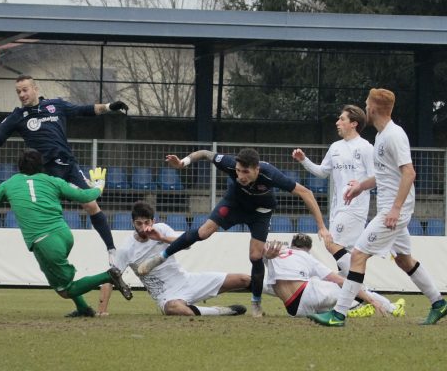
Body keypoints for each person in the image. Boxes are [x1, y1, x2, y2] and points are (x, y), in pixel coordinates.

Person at [309, 88, 447, 327]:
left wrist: (395, 209)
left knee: (358, 256)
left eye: (366, 104)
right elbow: (385, 175)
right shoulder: (382, 137)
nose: (365, 107)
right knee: (404, 259)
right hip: (392, 209)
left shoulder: (394, 135)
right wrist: (361, 186)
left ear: (373, 108)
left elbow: (409, 173)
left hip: (393, 212)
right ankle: (439, 303)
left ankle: (338, 314)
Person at [137, 147, 332, 317]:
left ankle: (256, 302)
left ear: (257, 169)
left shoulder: (270, 174)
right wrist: (183, 163)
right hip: (234, 204)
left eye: (245, 172)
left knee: (256, 256)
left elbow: (306, 192)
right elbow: (204, 153)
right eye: (238, 171)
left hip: (260, 212)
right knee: (204, 231)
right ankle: (162, 257)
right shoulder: (230, 164)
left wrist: (321, 226)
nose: (240, 176)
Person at [0, 74, 129, 264]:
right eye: (18, 92)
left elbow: (85, 110)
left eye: (25, 90)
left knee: (91, 204)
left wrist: (110, 107)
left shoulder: (55, 105)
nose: (22, 94)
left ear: (35, 89)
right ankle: (51, 251)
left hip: (68, 164)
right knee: (51, 210)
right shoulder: (17, 117)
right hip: (47, 171)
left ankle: (111, 250)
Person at [0, 148, 133, 318]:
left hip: (44, 241)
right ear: (41, 166)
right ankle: (83, 309)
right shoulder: (53, 181)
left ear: (19, 167)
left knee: (65, 290)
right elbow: (86, 196)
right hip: (63, 234)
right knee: (58, 278)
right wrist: (99, 186)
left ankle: (109, 275)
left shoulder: (8, 184)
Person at [97, 201, 250, 316]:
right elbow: (110, 278)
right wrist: (102, 311)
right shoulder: (126, 249)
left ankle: (269, 291)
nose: (143, 227)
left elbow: (186, 244)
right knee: (175, 309)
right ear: (132, 223)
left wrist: (162, 238)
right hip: (166, 296)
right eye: (138, 223)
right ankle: (221, 311)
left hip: (186, 281)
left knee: (244, 279)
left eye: (147, 222)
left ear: (153, 221)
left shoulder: (162, 229)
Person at [292, 105, 374, 277]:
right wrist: (304, 160)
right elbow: (322, 172)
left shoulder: (365, 147)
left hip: (354, 207)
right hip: (337, 207)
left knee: (331, 243)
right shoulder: (335, 147)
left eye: (342, 119)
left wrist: (360, 184)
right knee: (347, 254)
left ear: (354, 123)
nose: (337, 122)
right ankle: (351, 300)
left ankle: (365, 292)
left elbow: (376, 178)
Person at [263, 233, 405, 318]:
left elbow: (257, 263)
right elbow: (339, 280)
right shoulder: (306, 257)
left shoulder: (275, 254)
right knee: (353, 286)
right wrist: (371, 300)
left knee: (315, 285)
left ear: (292, 244)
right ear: (309, 249)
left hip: (294, 310)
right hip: (307, 296)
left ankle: (354, 309)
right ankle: (392, 308)